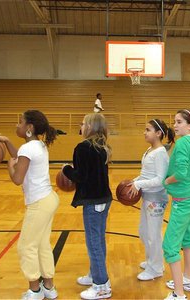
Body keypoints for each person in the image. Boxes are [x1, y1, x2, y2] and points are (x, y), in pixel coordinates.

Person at [0, 110, 59, 300]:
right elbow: (22, 157)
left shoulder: (28, 149)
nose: (16, 125)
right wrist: (6, 142)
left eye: (20, 122)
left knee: (26, 247)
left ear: (29, 128)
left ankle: (35, 290)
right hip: (49, 199)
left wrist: (10, 167)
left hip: (39, 203)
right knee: (42, 244)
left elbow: (18, 178)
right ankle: (49, 288)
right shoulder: (38, 145)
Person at [61, 113, 112, 300]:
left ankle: (101, 286)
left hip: (93, 200)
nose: (80, 126)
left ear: (90, 127)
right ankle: (95, 274)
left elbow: (79, 176)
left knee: (94, 243)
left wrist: (66, 169)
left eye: (83, 123)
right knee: (98, 240)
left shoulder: (83, 147)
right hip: (104, 199)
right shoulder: (102, 147)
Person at [162, 109, 190, 300]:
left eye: (179, 122)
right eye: (174, 121)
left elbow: (180, 173)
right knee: (188, 238)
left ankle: (179, 294)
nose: (175, 125)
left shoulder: (182, 144)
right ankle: (188, 278)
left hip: (183, 199)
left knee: (170, 246)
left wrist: (165, 182)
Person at [128, 119, 175, 281]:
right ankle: (153, 262)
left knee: (153, 234)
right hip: (147, 197)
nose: (144, 132)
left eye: (148, 129)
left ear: (158, 133)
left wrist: (139, 184)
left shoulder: (161, 153)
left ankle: (155, 269)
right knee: (144, 232)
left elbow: (160, 179)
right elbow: (146, 174)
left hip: (156, 199)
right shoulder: (150, 150)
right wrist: (133, 181)